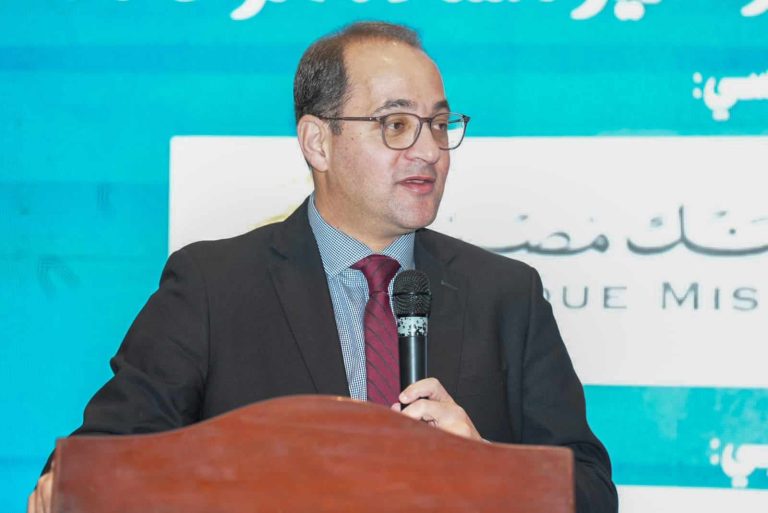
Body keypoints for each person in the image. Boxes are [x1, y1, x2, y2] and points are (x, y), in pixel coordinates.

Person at [29, 21, 617, 513]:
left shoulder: (506, 295)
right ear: (318, 142)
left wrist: (484, 465)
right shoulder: (213, 286)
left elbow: (592, 491)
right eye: (396, 125)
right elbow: (104, 455)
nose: (429, 150)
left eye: (439, 125)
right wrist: (69, 487)